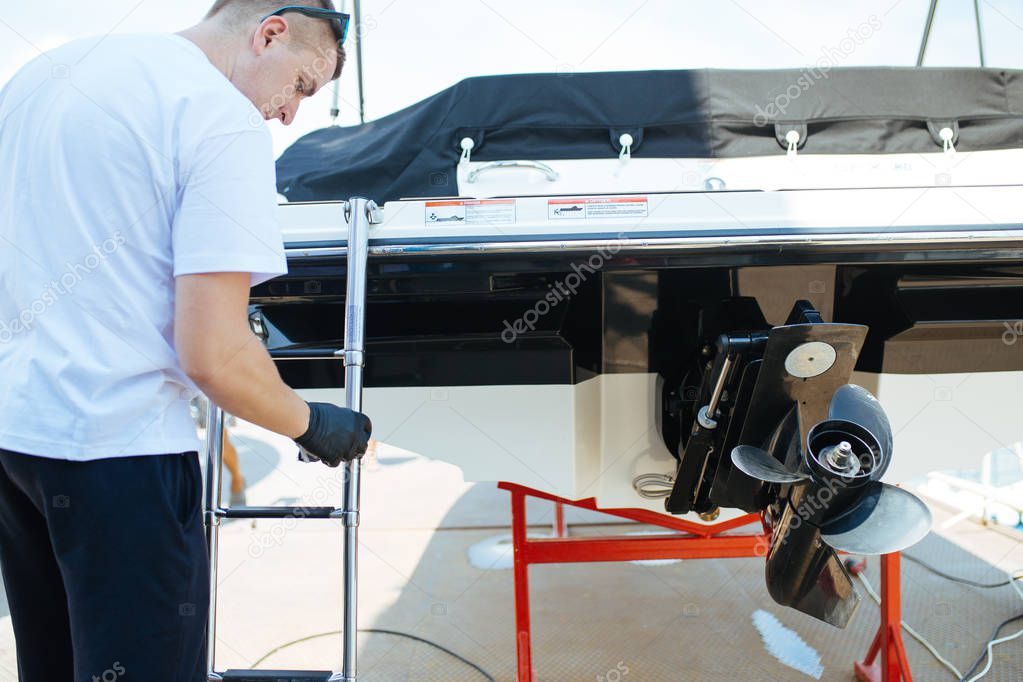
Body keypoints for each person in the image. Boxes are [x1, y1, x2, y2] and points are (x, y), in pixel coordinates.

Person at [0, 2, 370, 681]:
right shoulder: (217, 118)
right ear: (270, 32)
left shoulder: (42, 76)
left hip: (18, 441)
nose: (289, 115)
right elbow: (214, 353)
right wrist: (313, 423)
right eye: (301, 88)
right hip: (121, 450)